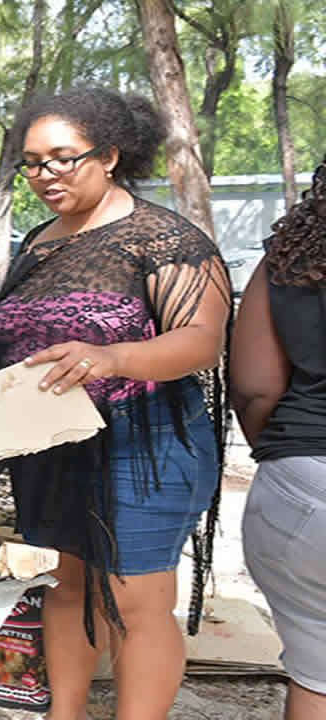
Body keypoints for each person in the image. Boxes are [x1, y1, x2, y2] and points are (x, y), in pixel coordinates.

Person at [0, 88, 231, 720]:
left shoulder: (164, 238)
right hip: (52, 442)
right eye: (31, 162)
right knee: (66, 588)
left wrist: (114, 358)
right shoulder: (39, 242)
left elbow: (200, 341)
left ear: (109, 155)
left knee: (134, 602)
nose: (44, 175)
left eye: (61, 158)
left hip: (147, 443)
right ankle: (66, 713)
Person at [231, 158, 326, 720]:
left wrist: (286, 455)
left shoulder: (290, 261)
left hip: (301, 483)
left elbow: (255, 388)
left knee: (317, 671)